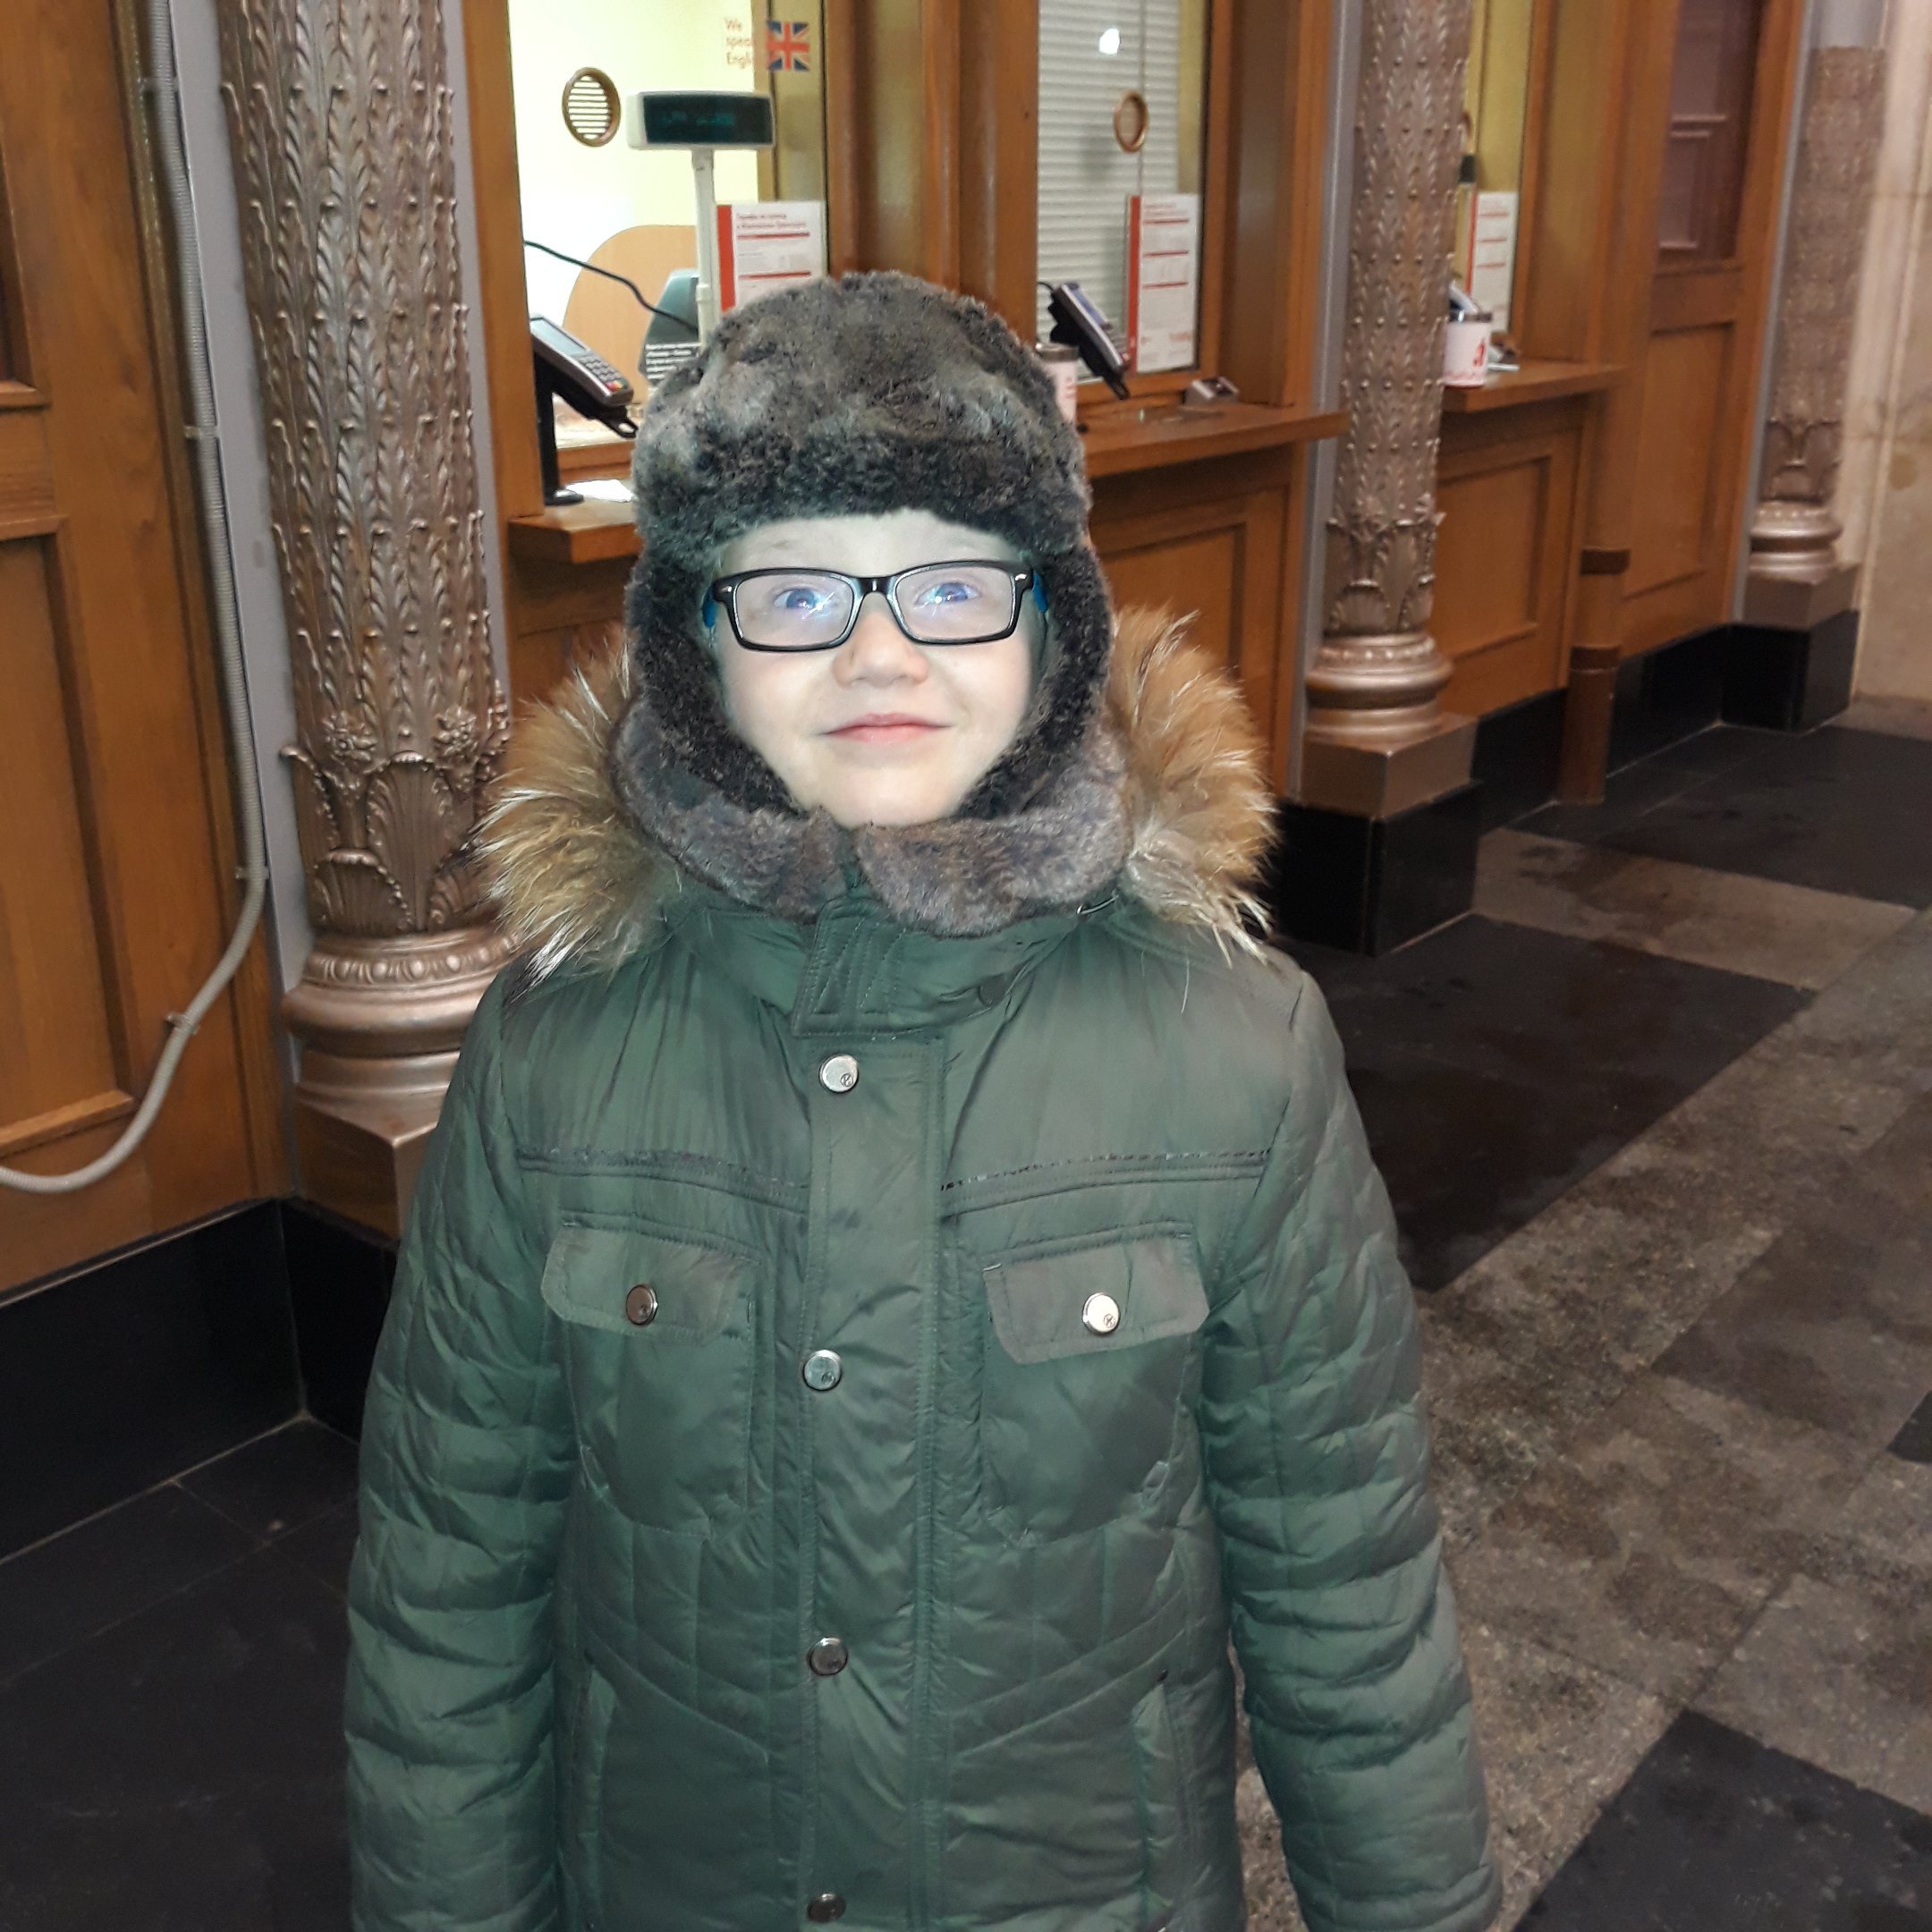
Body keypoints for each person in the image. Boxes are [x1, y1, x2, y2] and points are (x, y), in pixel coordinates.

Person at [345, 271, 1499, 1932]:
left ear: (1050, 629)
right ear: (693, 643)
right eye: (797, 591)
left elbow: (1350, 1596)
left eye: (953, 584)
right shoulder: (556, 1052)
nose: (880, 649)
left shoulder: (1237, 1053)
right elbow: (448, 1590)